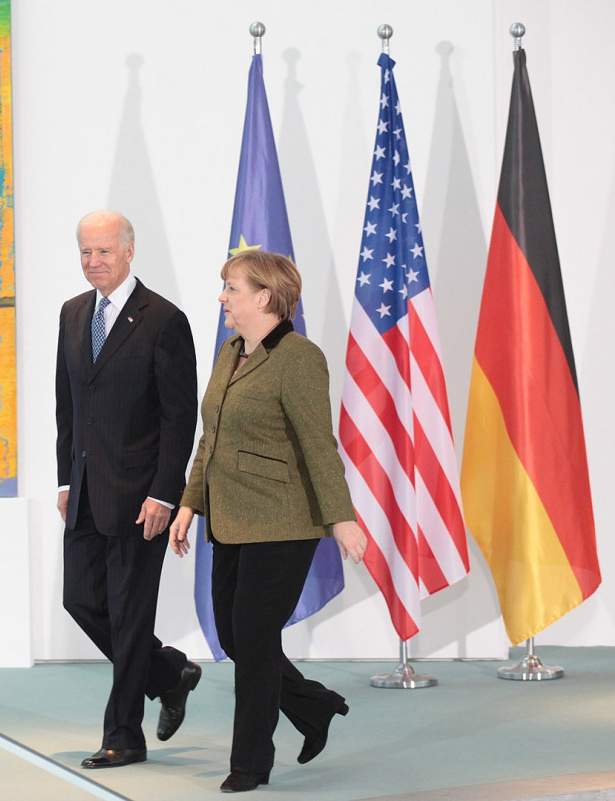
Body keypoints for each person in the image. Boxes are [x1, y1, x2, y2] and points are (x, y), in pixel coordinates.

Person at [168, 250, 367, 793]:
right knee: (236, 636)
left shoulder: (299, 357)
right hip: (230, 519)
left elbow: (318, 444)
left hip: (284, 521)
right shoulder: (230, 352)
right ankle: (313, 704)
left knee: (253, 639)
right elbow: (211, 437)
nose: (222, 298)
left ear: (264, 296)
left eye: (231, 288)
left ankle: (251, 763)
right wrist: (189, 503)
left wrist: (341, 519)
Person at [56, 209, 202, 769]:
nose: (94, 262)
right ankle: (168, 673)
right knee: (81, 600)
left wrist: (166, 494)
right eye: (86, 252)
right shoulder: (72, 314)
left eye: (104, 252)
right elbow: (67, 404)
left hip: (143, 499)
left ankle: (124, 737)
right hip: (86, 492)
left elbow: (178, 417)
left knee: (130, 612)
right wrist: (67, 478)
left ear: (130, 250)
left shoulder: (164, 319)